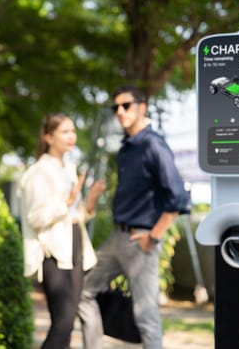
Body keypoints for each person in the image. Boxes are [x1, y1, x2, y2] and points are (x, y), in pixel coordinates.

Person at [78, 85, 189, 349]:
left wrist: (153, 236)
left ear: (142, 107)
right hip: (117, 237)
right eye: (115, 107)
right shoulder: (127, 148)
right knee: (84, 291)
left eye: (126, 105)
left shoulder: (153, 145)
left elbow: (177, 197)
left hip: (141, 240)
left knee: (145, 314)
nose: (119, 111)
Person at [18, 113, 106, 349]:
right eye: (64, 132)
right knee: (63, 324)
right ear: (48, 137)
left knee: (67, 326)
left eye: (73, 131)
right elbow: (35, 217)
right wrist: (66, 203)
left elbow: (76, 216)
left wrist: (90, 202)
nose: (71, 136)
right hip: (53, 252)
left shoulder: (68, 168)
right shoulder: (38, 172)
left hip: (74, 246)